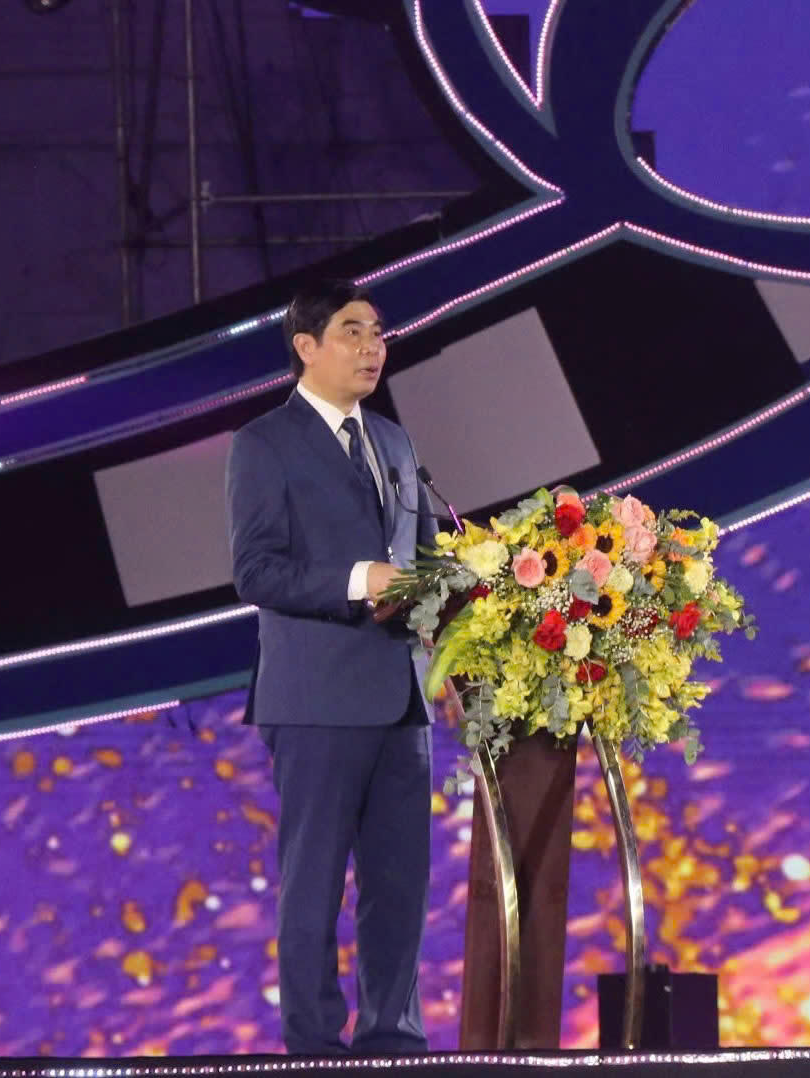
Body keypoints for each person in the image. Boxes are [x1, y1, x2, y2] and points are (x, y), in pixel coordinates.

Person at [225, 278, 440, 1055]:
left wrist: (456, 626)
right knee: (314, 884)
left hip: (401, 699)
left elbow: (423, 561)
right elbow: (256, 571)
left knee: (399, 884)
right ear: (306, 346)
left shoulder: (394, 441)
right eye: (353, 332)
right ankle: (315, 1046)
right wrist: (358, 580)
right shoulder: (264, 443)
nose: (372, 347)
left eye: (378, 333)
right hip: (315, 698)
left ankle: (393, 1039)